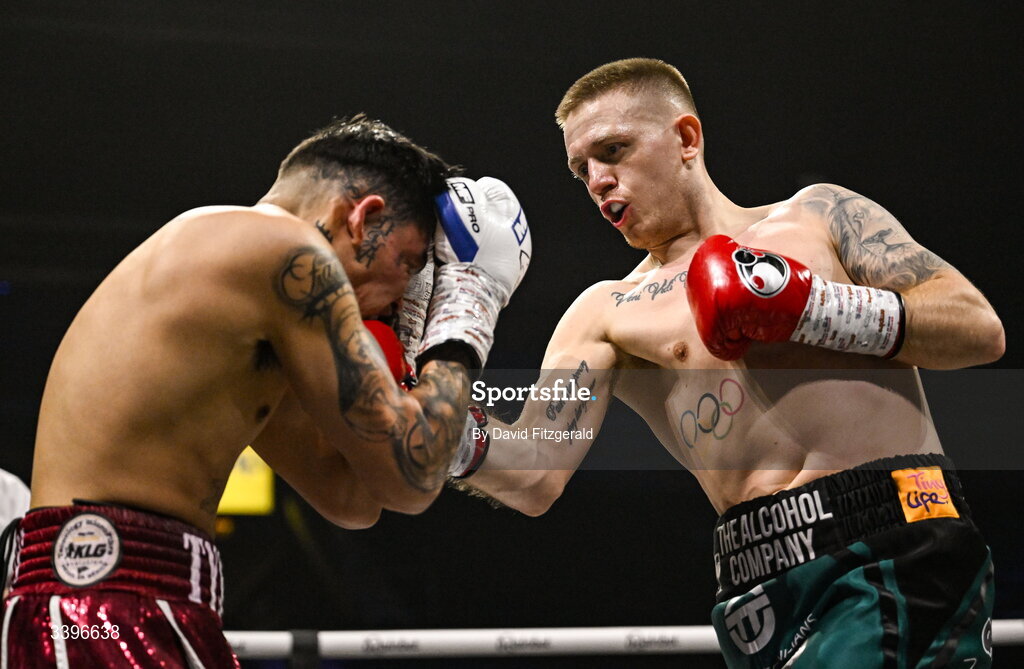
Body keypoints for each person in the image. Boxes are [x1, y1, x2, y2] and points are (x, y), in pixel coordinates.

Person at [457, 59, 1004, 668]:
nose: (597, 179)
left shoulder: (818, 218)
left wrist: (810, 306)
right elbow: (535, 472)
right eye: (580, 168)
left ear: (686, 138)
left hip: (893, 543)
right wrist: (437, 429)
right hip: (753, 589)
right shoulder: (605, 312)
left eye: (613, 150)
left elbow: (978, 329)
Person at [0, 115, 530, 667]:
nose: (399, 299)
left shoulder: (232, 297)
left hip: (110, 604)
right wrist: (469, 306)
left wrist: (411, 346)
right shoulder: (284, 251)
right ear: (363, 217)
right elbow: (412, 471)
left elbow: (360, 498)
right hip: (104, 608)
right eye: (408, 263)